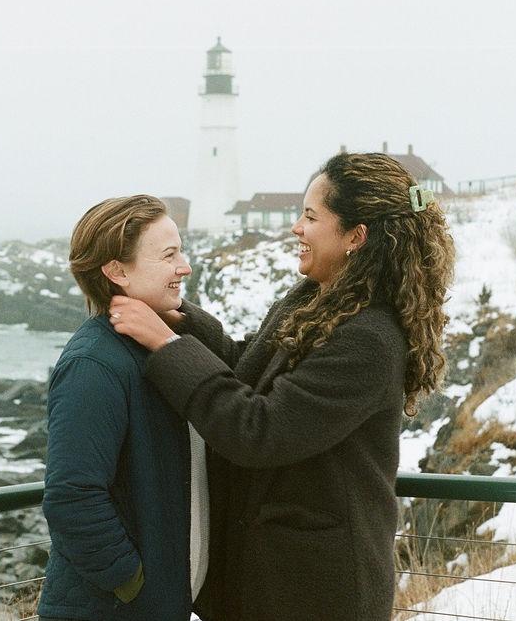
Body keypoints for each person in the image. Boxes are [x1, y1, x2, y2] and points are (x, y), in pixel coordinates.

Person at [109, 152, 455, 621]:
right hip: (274, 581)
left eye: (311, 216)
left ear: (356, 236)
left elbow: (259, 429)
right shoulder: (318, 298)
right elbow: (246, 370)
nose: (296, 228)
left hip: (316, 592)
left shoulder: (369, 338)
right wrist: (180, 321)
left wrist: (165, 344)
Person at [37, 195, 209, 621]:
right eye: (169, 255)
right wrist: (129, 582)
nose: (184, 266)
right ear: (117, 271)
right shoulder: (93, 364)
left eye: (181, 251)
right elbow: (72, 495)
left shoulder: (159, 347)